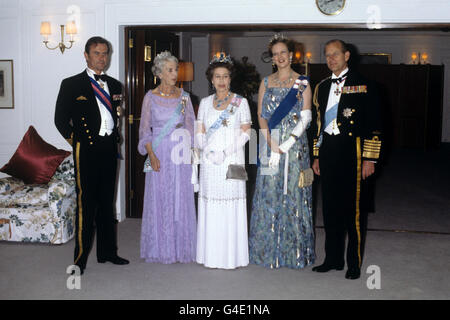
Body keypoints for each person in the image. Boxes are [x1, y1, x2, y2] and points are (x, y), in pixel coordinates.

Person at [55, 36, 129, 275]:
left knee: (107, 203)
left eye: (105, 53)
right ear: (86, 55)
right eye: (97, 53)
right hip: (85, 149)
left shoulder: (116, 85)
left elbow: (116, 115)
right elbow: (60, 120)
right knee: (86, 205)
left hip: (108, 149)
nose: (102, 58)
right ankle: (79, 259)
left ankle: (108, 252)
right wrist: (76, 141)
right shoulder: (71, 84)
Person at [311, 39, 382, 280]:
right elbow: (319, 127)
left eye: (336, 54)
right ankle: (332, 260)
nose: (331, 59)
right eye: (327, 55)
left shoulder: (365, 85)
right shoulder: (320, 87)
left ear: (347, 55)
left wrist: (370, 159)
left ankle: (354, 263)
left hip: (354, 153)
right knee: (330, 209)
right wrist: (317, 155)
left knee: (354, 211)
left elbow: (375, 125)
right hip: (329, 153)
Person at [249, 34, 315, 269]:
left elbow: (306, 117)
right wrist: (269, 141)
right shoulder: (265, 82)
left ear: (291, 54)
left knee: (293, 195)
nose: (280, 57)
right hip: (269, 142)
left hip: (295, 146)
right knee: (268, 194)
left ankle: (294, 253)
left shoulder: (303, 82)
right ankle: (265, 252)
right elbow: (260, 116)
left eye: (283, 52)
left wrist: (285, 145)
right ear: (272, 58)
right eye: (275, 54)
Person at [138, 51, 197, 264]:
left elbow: (191, 125)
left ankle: (181, 248)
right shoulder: (150, 97)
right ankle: (160, 248)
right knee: (161, 198)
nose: (174, 74)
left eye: (176, 70)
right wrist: (151, 155)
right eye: (170, 70)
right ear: (160, 73)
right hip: (160, 152)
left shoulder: (184, 97)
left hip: (180, 154)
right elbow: (145, 130)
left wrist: (191, 152)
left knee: (180, 198)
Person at [195, 53, 252, 269]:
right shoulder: (205, 103)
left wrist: (225, 153)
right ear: (211, 79)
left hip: (232, 160)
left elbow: (246, 133)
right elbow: (199, 132)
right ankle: (211, 255)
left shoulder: (241, 102)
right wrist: (208, 151)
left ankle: (231, 257)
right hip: (210, 164)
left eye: (225, 76)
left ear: (230, 78)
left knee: (230, 206)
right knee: (211, 205)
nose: (221, 80)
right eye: (217, 76)